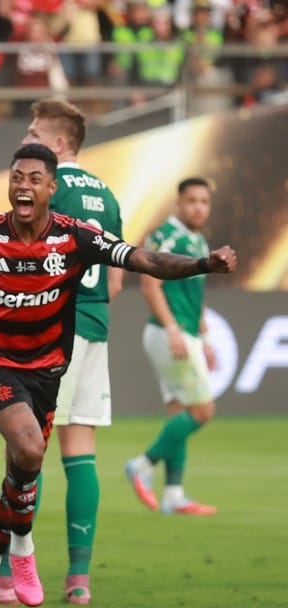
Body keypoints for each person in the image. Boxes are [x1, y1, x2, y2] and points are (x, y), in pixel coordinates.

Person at [0, 143, 235, 608]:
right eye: (16, 177)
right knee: (30, 448)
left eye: (34, 179)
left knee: (22, 471)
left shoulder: (75, 236)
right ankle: (23, 550)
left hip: (48, 370)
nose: (23, 186)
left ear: (51, 188)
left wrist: (204, 266)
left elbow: (144, 260)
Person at [0, 98, 125, 606]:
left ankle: (2, 573)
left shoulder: (48, 189)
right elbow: (114, 279)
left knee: (26, 452)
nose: (26, 140)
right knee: (80, 453)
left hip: (45, 332)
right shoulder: (106, 194)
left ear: (58, 145)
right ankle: (78, 579)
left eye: (35, 133)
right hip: (95, 325)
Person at [125, 177, 220, 516]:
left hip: (184, 333)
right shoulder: (165, 235)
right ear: (179, 203)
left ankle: (174, 494)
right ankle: (143, 464)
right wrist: (173, 329)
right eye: (192, 201)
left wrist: (205, 338)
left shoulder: (198, 241)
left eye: (204, 202)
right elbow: (150, 286)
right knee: (203, 410)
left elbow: (196, 297)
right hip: (169, 334)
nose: (198, 207)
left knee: (180, 413)